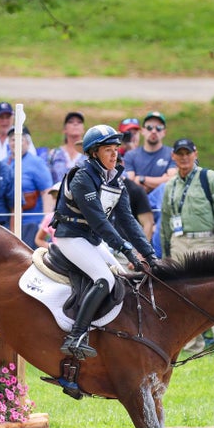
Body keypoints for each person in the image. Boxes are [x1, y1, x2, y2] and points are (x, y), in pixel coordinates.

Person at [51, 124, 157, 359]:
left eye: (116, 149)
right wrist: (127, 250)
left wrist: (149, 254)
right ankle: (75, 336)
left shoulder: (115, 179)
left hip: (91, 238)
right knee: (104, 279)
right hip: (71, 237)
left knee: (122, 279)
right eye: (108, 150)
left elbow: (128, 220)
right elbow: (100, 222)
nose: (114, 154)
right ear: (93, 153)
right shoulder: (82, 179)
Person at [160, 138, 214, 353]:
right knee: (181, 295)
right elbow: (165, 220)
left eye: (188, 153)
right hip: (178, 242)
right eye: (180, 153)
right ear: (173, 156)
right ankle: (192, 345)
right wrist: (167, 253)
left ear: (195, 154)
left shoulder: (209, 177)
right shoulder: (170, 185)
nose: (184, 157)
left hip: (205, 239)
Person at [7, 126, 53, 249]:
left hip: (31, 223)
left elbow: (47, 192)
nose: (15, 143)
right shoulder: (3, 163)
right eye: (12, 139)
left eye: (20, 139)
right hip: (7, 223)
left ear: (27, 143)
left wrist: (45, 222)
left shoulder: (37, 163)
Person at [123, 111, 176, 194]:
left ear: (164, 132)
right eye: (149, 127)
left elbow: (172, 181)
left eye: (159, 128)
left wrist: (141, 179)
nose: (154, 131)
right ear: (143, 131)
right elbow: (129, 184)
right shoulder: (130, 155)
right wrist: (161, 181)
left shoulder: (172, 154)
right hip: (138, 205)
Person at [48, 111, 86, 184]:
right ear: (64, 129)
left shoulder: (89, 154)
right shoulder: (54, 154)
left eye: (79, 122)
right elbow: (47, 180)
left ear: (83, 129)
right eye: (70, 122)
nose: (75, 124)